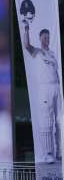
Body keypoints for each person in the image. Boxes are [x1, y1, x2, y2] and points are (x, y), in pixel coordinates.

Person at [23, 20, 62, 163]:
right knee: (47, 120)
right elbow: (26, 45)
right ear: (40, 38)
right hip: (44, 88)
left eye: (48, 36)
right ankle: (48, 153)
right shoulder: (37, 52)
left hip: (56, 87)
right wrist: (26, 29)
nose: (46, 38)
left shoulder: (52, 54)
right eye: (44, 36)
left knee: (59, 121)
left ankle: (60, 151)